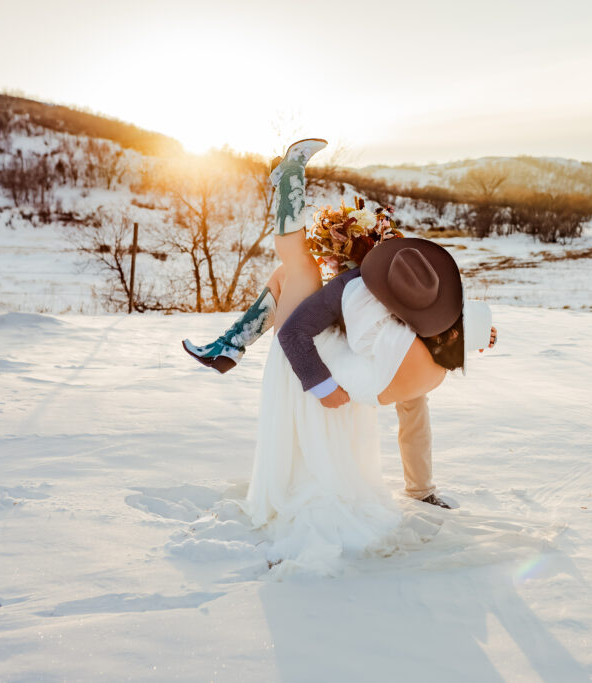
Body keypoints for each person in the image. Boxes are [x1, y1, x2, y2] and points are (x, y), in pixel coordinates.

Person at [188, 139, 494, 574]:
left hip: (330, 367)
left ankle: (287, 182)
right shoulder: (384, 307)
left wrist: (322, 384)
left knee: (291, 269)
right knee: (289, 273)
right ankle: (233, 342)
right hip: (341, 374)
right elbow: (409, 407)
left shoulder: (362, 287)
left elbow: (301, 330)